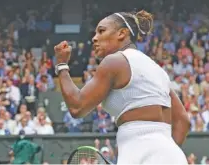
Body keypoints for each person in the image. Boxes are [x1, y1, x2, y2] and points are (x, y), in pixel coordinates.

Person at [54, 10, 190, 164]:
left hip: (139, 154)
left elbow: (77, 107)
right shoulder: (157, 70)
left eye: (101, 31)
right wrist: (164, 153)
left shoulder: (114, 61)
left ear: (122, 34)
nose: (94, 38)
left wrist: (61, 65)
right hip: (172, 155)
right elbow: (183, 121)